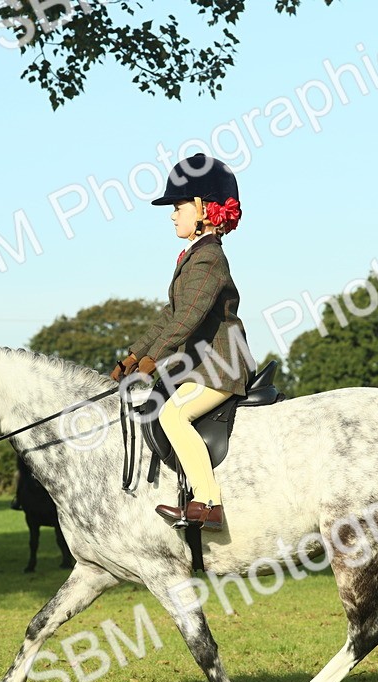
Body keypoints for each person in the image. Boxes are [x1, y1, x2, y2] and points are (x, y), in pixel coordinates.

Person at [110, 153, 255, 531]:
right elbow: (169, 315)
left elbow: (187, 319)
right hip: (204, 367)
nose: (172, 214)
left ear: (204, 209)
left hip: (223, 367)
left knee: (172, 414)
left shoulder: (209, 260)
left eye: (178, 206)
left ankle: (209, 503)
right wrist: (134, 355)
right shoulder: (193, 257)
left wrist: (153, 360)